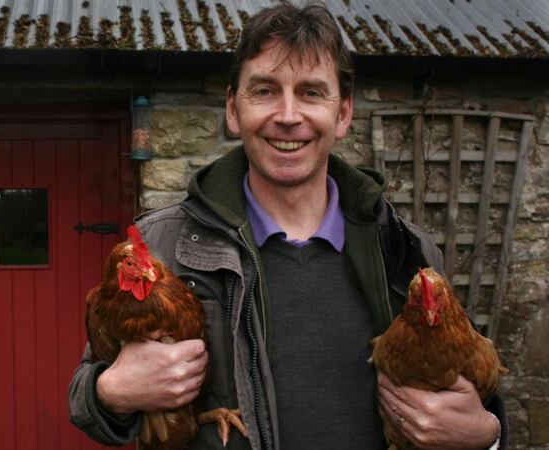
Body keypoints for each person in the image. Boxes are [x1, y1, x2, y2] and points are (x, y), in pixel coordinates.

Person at [69, 2, 506, 449]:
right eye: (264, 91)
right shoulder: (165, 244)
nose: (288, 115)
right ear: (233, 110)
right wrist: (111, 392)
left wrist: (486, 435)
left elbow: (472, 390)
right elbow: (87, 392)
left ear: (343, 114)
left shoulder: (405, 250)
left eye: (312, 93)